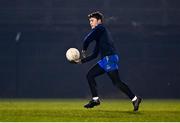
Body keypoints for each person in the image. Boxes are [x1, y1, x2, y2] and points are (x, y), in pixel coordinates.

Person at [72, 11, 142, 111]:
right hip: (105, 60)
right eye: (89, 21)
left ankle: (135, 99)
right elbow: (95, 54)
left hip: (110, 58)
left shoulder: (100, 28)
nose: (90, 23)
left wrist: (83, 49)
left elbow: (87, 39)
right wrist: (81, 61)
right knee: (90, 75)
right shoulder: (99, 35)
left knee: (117, 82)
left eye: (92, 20)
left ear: (99, 21)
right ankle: (95, 99)